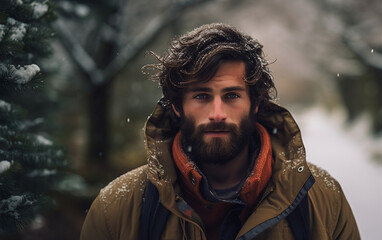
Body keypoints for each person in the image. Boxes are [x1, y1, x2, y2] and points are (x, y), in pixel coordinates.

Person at [80, 23, 360, 240]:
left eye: (232, 96)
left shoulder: (322, 197)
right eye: (202, 96)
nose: (217, 113)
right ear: (178, 106)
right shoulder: (115, 208)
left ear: (255, 104)